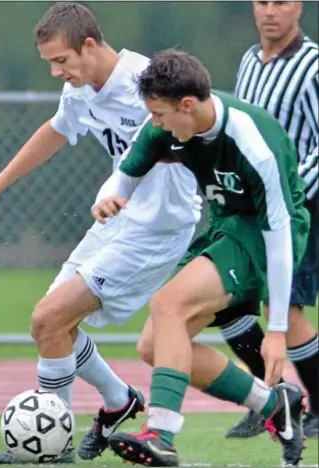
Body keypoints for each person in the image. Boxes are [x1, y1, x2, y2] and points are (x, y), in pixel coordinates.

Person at [0, 3, 203, 465]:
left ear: (89, 45)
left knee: (50, 318)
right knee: (48, 327)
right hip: (116, 222)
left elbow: (201, 130)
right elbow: (55, 130)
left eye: (61, 60)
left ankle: (55, 445)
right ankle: (118, 399)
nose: (56, 72)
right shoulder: (83, 90)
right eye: (50, 63)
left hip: (157, 232)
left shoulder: (149, 81)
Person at [87, 49, 310, 467]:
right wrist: (109, 198)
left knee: (167, 304)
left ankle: (162, 433)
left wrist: (277, 329)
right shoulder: (168, 126)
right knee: (155, 345)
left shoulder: (251, 140)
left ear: (187, 105)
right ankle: (274, 404)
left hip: (269, 234)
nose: (154, 124)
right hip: (227, 226)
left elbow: (279, 234)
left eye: (159, 114)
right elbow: (126, 172)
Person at [220, 0, 318, 439]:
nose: (269, 12)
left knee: (286, 312)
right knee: (228, 302)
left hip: (296, 208)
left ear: (298, 7)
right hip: (247, 205)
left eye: (280, 2)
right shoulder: (248, 60)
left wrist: (292, 187)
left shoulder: (313, 65)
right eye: (262, 2)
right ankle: (272, 401)